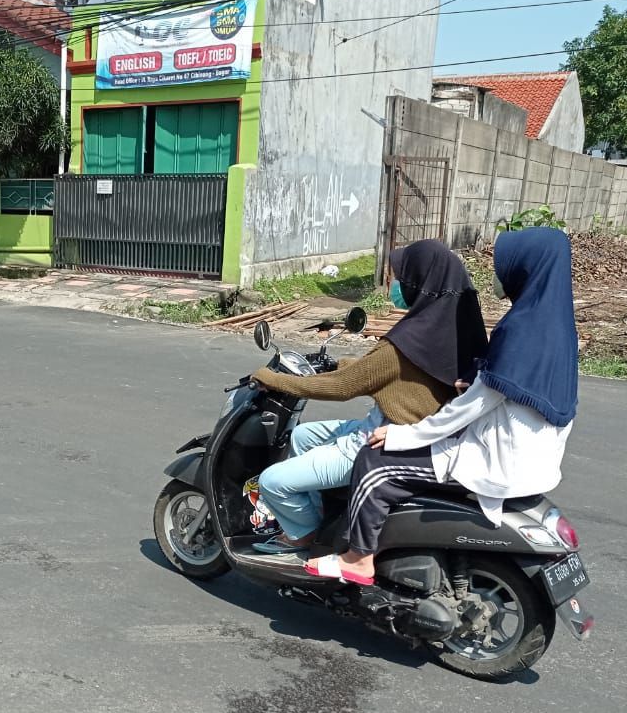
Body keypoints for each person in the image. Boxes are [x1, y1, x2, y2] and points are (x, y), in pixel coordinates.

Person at [309, 227, 578, 585]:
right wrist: (482, 380)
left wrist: (405, 435)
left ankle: (358, 558)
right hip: (539, 459)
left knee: (374, 465)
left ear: (526, 269)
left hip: (500, 462)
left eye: (504, 268)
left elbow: (467, 409)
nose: (499, 278)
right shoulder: (556, 324)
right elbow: (520, 390)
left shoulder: (521, 330)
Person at [247, 239, 489, 555]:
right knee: (303, 436)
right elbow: (397, 379)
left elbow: (342, 387)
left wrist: (275, 380)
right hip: (422, 433)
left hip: (379, 438)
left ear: (420, 282)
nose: (395, 284)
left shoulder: (403, 343)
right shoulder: (455, 328)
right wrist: (347, 365)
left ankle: (302, 532)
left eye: (402, 276)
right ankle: (323, 515)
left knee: (272, 482)